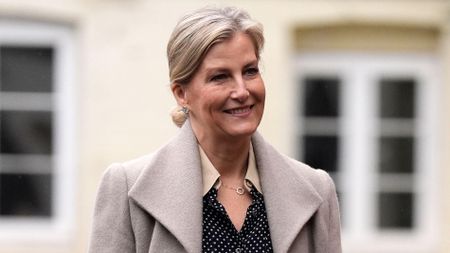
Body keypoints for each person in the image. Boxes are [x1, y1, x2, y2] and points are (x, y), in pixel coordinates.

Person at [88, 6, 341, 253]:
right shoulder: (126, 189)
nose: (242, 91)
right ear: (181, 94)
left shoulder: (317, 190)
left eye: (250, 71)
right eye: (220, 77)